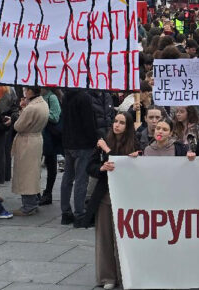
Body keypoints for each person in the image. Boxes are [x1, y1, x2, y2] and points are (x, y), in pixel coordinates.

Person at [88, 109, 139, 290]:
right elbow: (90, 166)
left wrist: (107, 151)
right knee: (105, 237)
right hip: (105, 196)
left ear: (128, 126)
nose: (117, 125)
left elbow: (125, 164)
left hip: (126, 197)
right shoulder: (104, 141)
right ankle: (107, 277)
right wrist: (101, 168)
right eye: (116, 121)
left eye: (122, 122)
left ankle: (125, 275)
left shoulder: (134, 144)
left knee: (124, 238)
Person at [60, 88, 106, 228]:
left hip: (69, 142)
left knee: (67, 178)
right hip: (83, 144)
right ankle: (79, 214)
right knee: (81, 179)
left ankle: (66, 212)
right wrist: (95, 140)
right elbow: (89, 123)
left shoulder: (66, 95)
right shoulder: (84, 97)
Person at [10, 87, 49, 216]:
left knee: (25, 174)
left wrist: (21, 111)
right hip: (36, 139)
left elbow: (18, 126)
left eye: (26, 89)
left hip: (27, 141)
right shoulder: (43, 103)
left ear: (30, 91)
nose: (24, 91)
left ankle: (29, 206)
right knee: (33, 172)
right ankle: (33, 202)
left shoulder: (31, 108)